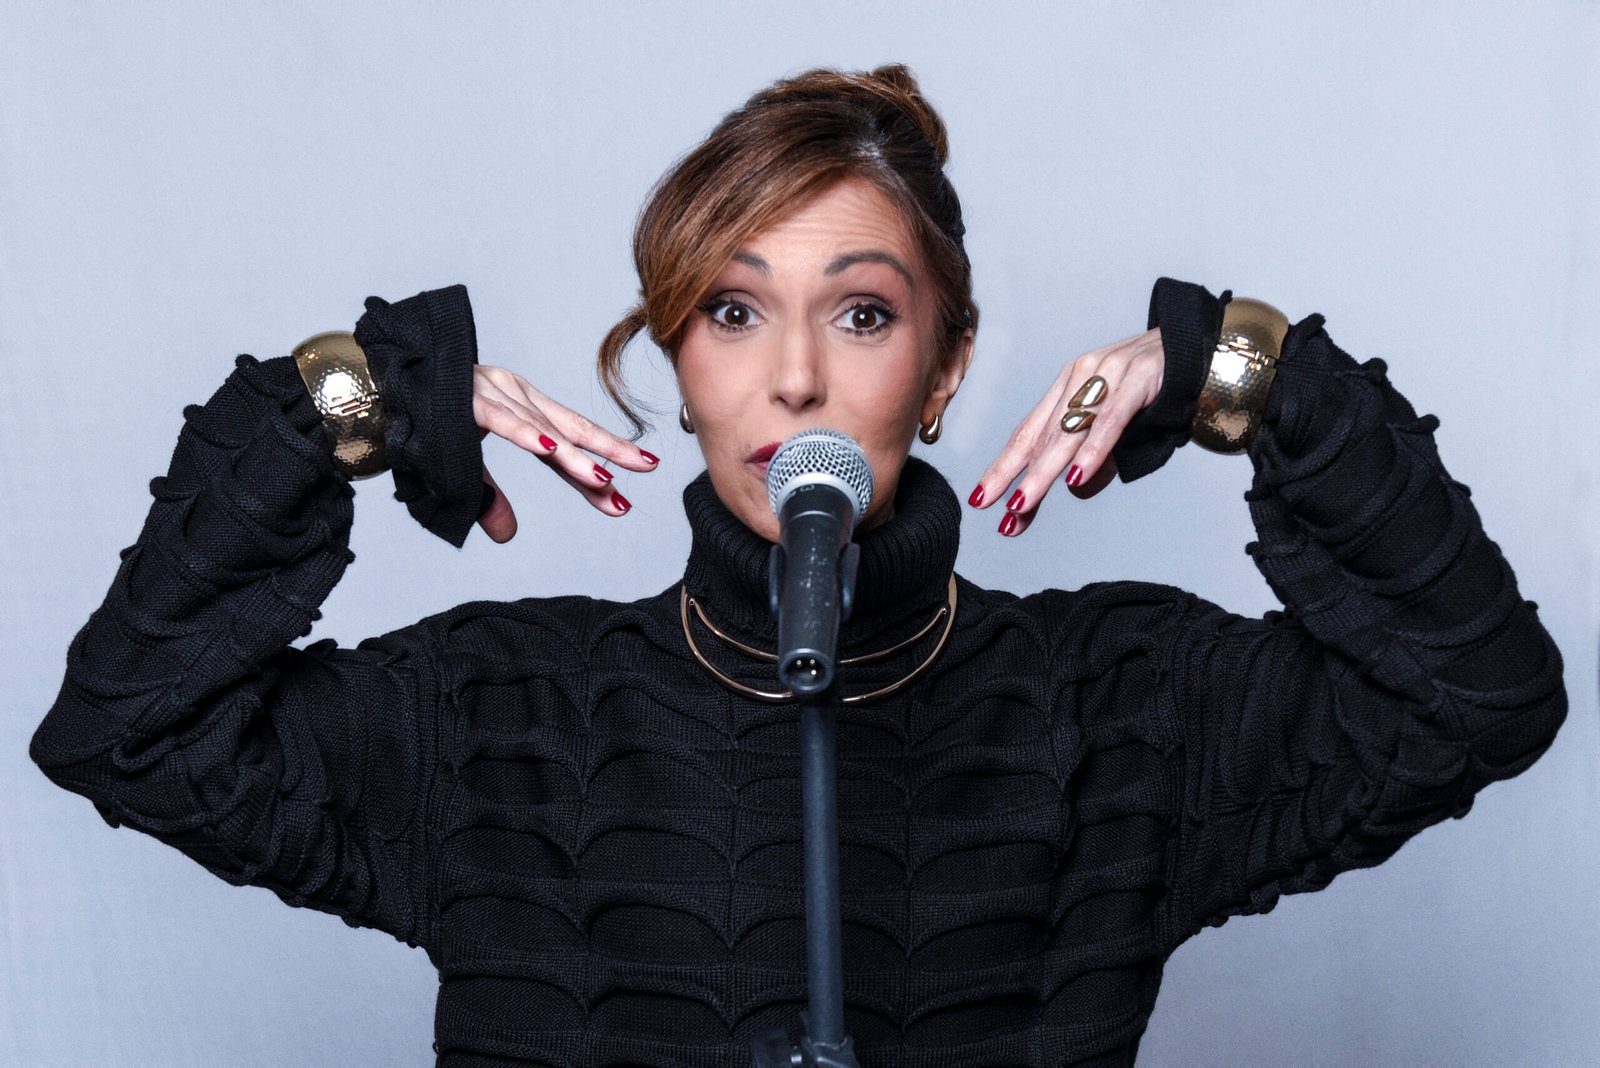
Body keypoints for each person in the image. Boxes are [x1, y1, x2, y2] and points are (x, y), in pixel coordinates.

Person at [30, 64, 1566, 1065]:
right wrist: (340, 407)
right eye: (733, 311)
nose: (795, 380)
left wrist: (1246, 372)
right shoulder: (494, 717)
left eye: (864, 314)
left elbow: (1479, 698)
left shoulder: (1120, 708)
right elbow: (127, 733)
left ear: (945, 369)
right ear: (679, 361)